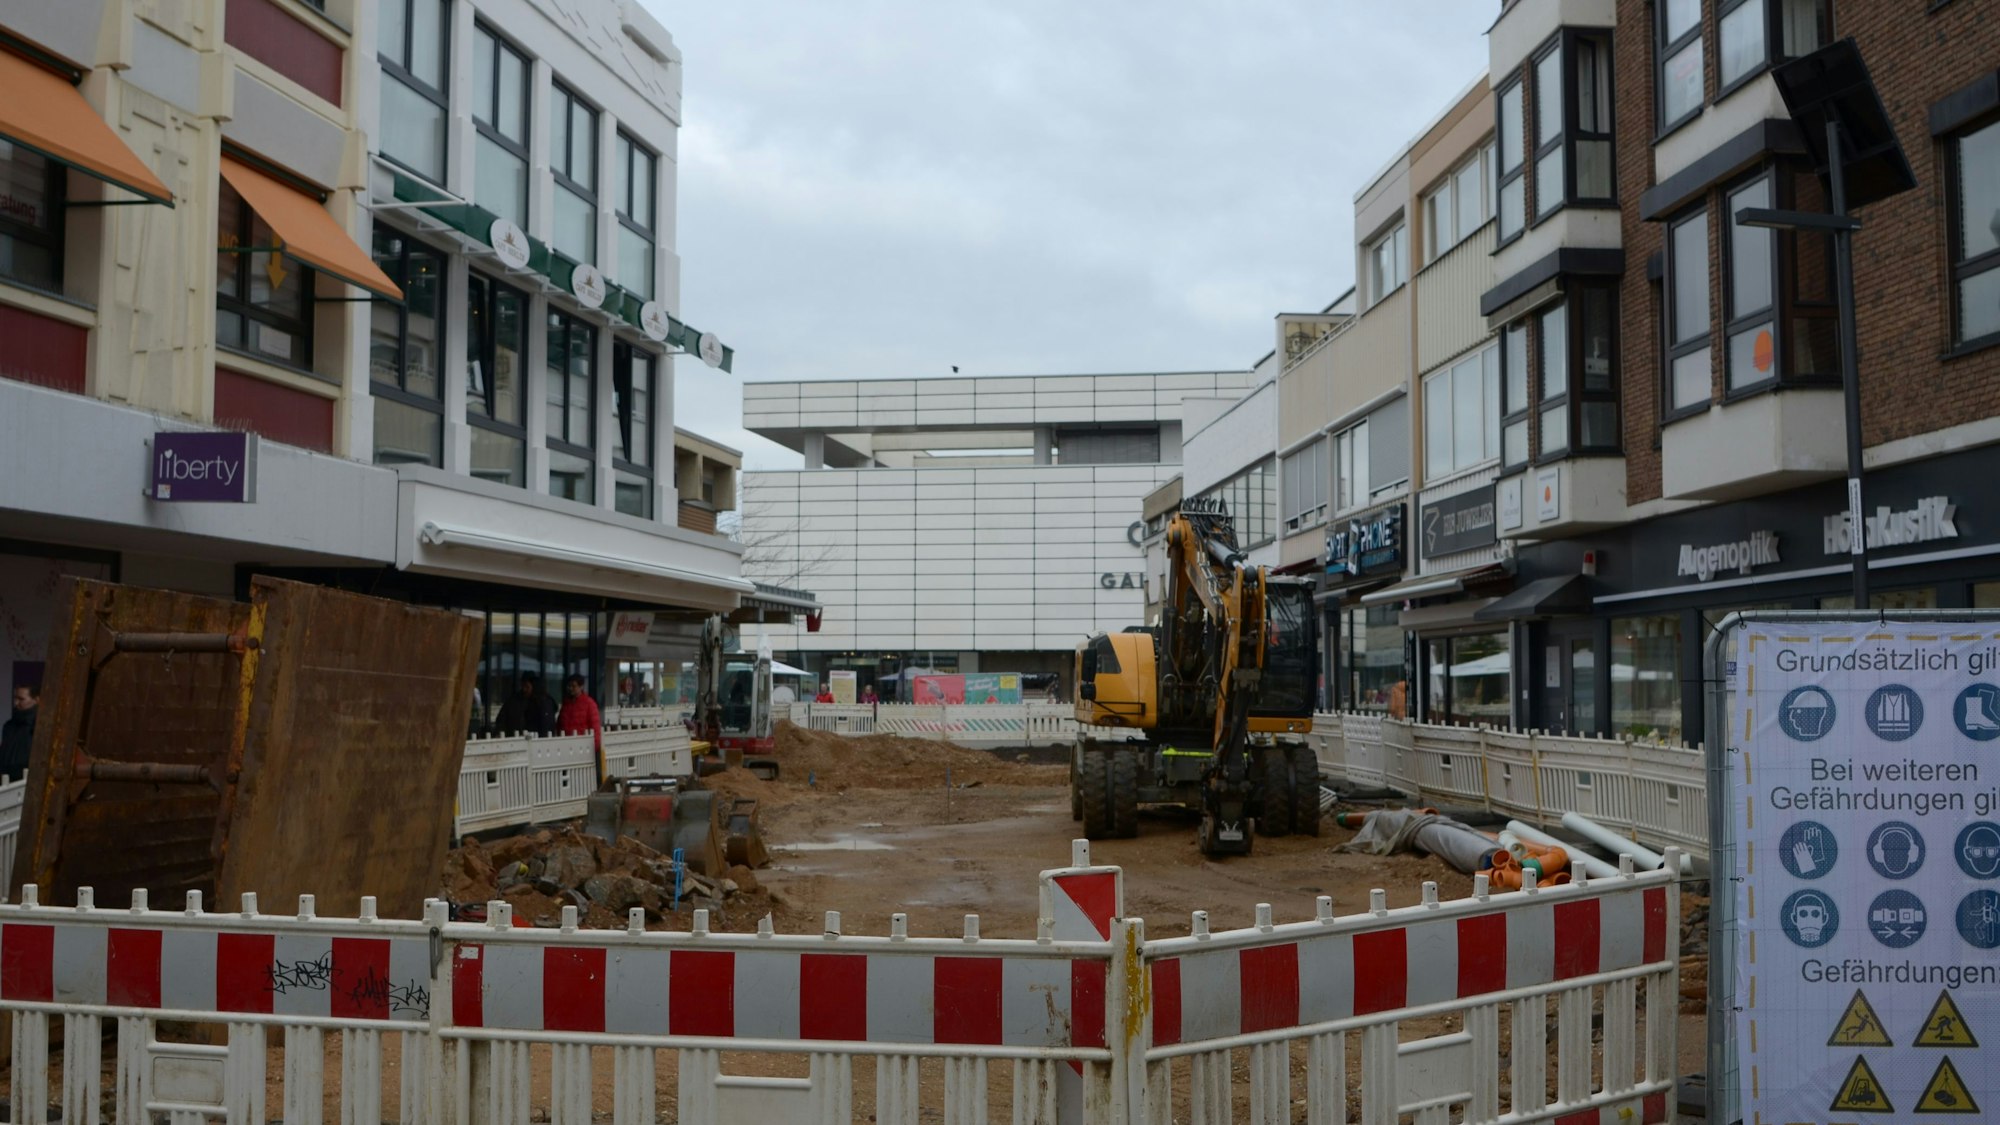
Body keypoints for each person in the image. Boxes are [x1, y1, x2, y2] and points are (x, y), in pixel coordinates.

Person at [558, 674, 604, 781]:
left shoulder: (589, 704)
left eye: (574, 686)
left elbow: (595, 727)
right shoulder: (566, 704)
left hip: (583, 748)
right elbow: (560, 725)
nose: (571, 689)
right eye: (569, 686)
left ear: (581, 687)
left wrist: (594, 747)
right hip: (567, 747)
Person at [1, 683, 39, 782]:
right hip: (6, 782)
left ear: (36, 700)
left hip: (31, 780)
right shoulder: (9, 726)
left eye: (21, 699)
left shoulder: (41, 727)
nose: (16, 703)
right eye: (15, 698)